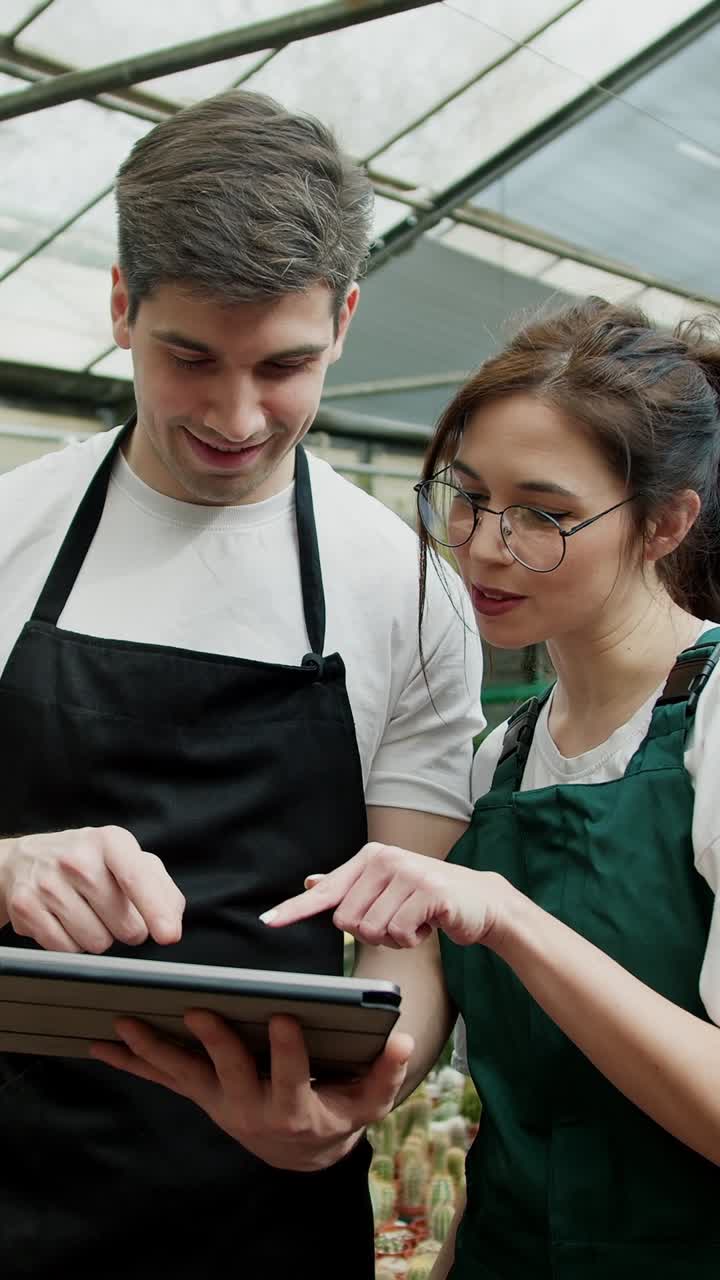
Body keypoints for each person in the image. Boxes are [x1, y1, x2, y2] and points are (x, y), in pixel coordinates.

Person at [0, 90, 483, 1278]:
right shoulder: (8, 525)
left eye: (286, 365)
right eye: (189, 357)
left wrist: (370, 1089)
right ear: (121, 301)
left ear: (347, 318)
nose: (234, 414)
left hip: (261, 1201)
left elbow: (404, 938)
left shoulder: (408, 592)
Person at [264, 297, 720, 1279]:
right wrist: (346, 1089)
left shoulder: (713, 727)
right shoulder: (500, 757)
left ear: (665, 522)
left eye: (545, 514)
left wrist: (508, 912)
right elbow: (432, 1017)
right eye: (465, 495)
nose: (482, 544)